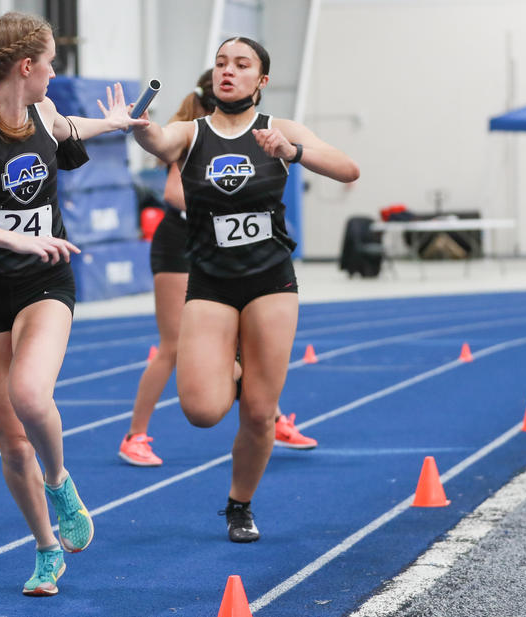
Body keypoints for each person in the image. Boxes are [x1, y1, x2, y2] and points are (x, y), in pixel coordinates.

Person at [0, 12, 146, 595]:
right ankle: (47, 548)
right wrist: (14, 235)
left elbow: (68, 128)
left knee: (29, 393)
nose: (53, 73)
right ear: (26, 66)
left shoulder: (43, 111)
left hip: (42, 280)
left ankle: (61, 478)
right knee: (12, 440)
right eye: (50, 64)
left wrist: (114, 123)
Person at [132, 37, 359, 541]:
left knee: (259, 413)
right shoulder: (191, 133)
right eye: (219, 63)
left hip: (270, 281)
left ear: (262, 80)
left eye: (241, 64)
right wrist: (141, 127)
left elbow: (348, 168)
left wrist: (293, 152)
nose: (227, 71)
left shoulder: (278, 129)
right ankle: (241, 372)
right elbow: (159, 143)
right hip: (210, 282)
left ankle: (239, 505)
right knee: (201, 411)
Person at [119, 70, 318, 468]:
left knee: (247, 346)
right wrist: (224, 209)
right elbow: (174, 192)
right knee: (174, 346)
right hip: (183, 245)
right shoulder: (197, 132)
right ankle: (135, 434)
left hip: (221, 249)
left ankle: (270, 415)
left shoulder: (248, 130)